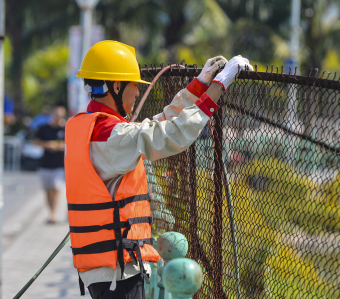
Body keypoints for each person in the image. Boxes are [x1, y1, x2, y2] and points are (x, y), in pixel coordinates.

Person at [65, 40, 253, 299]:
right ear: (116, 86)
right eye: (133, 86)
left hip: (104, 265)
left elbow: (153, 127)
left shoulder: (85, 128)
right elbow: (173, 134)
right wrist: (219, 86)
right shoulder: (112, 135)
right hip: (119, 270)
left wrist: (198, 86)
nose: (137, 94)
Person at [33, 106, 67, 224]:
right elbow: (35, 141)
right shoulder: (44, 128)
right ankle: (50, 211)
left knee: (56, 188)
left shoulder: (66, 128)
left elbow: (71, 143)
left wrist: (60, 146)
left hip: (59, 165)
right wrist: (49, 145)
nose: (58, 118)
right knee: (47, 190)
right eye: (56, 115)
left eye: (61, 116)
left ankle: (53, 213)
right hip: (45, 164)